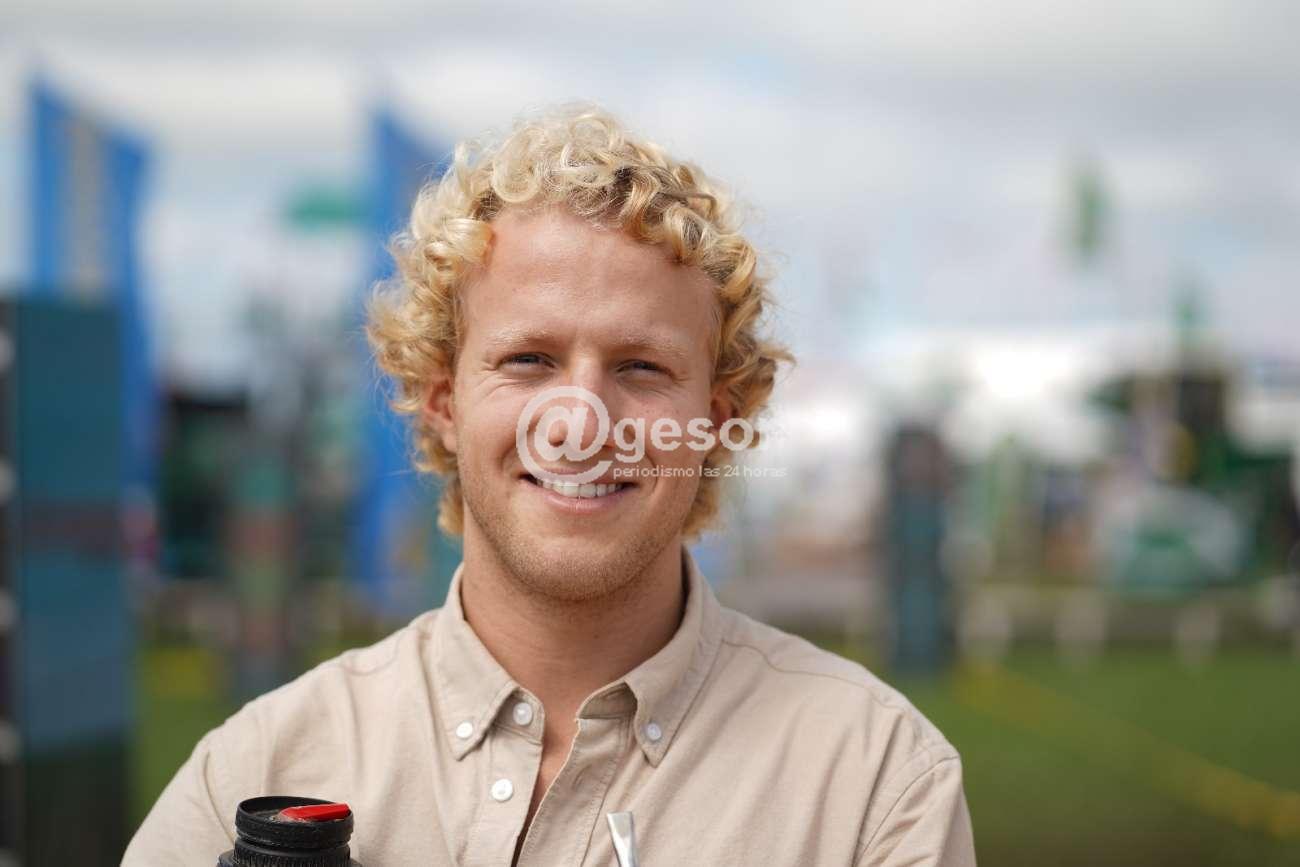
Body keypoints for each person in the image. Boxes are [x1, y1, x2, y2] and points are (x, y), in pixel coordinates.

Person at [124, 106, 975, 866]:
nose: (579, 422)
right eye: (529, 359)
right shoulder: (254, 772)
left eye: (641, 367)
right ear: (443, 400)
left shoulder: (873, 785)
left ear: (714, 419)